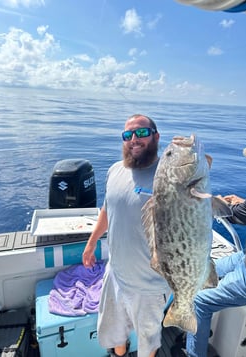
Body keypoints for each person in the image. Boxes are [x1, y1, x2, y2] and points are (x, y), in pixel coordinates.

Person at [82, 114, 170, 357]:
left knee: (148, 343)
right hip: (115, 274)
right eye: (128, 135)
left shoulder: (167, 177)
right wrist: (90, 245)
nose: (134, 139)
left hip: (150, 285)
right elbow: (107, 210)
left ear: (156, 136)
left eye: (141, 133)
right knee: (115, 333)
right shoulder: (114, 170)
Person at [184, 135, 246, 357]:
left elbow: (229, 215)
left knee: (199, 301)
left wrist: (210, 198)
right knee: (205, 272)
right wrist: (242, 202)